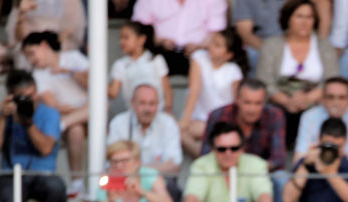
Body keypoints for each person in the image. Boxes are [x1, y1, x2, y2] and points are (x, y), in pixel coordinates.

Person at [256, 0, 338, 148]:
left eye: (309, 17)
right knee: (278, 116)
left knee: (316, 116)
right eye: (299, 16)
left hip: (315, 101)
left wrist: (307, 99)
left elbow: (331, 80)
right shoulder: (271, 45)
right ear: (288, 18)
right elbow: (265, 81)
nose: (304, 22)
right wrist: (287, 101)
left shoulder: (324, 46)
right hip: (280, 101)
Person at [0, 69, 67, 202]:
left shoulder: (50, 113)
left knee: (58, 188)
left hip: (44, 175)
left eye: (33, 94)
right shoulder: (6, 114)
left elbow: (45, 149)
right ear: (12, 98)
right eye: (25, 97)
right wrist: (3, 118)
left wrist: (28, 124)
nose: (32, 100)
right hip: (12, 176)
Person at [23, 31, 89, 199]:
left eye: (32, 53)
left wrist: (70, 72)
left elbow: (95, 82)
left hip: (80, 116)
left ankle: (65, 123)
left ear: (44, 46)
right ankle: (77, 183)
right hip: (77, 117)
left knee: (100, 106)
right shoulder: (38, 75)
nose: (31, 60)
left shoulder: (73, 57)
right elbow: (53, 106)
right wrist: (84, 110)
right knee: (77, 129)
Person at [184, 121, 276, 202]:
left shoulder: (256, 165)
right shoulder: (201, 165)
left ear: (242, 148)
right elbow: (193, 196)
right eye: (222, 149)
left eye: (234, 148)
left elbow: (263, 193)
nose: (228, 153)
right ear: (213, 149)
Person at [282, 117, 348, 202]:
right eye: (328, 145)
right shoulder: (307, 164)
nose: (331, 151)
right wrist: (306, 166)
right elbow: (288, 199)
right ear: (319, 140)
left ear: (345, 142)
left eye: (337, 146)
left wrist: (331, 174)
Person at [180, 28, 247, 156]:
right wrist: (185, 120)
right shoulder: (199, 58)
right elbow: (194, 90)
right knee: (179, 132)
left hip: (222, 121)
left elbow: (235, 101)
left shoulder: (234, 71)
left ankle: (211, 156)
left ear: (228, 54)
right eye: (212, 42)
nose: (211, 47)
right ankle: (208, 156)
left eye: (217, 45)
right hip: (199, 118)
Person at [202, 79, 287, 178]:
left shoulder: (274, 115)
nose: (252, 109)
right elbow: (206, 155)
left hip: (261, 175)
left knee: (281, 177)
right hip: (223, 173)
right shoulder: (219, 115)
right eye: (247, 103)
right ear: (237, 100)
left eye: (258, 103)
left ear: (265, 102)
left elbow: (278, 160)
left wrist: (249, 170)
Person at [294, 77, 348, 177]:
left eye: (342, 97)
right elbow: (298, 161)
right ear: (322, 100)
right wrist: (315, 158)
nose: (336, 103)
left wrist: (345, 162)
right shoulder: (309, 117)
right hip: (317, 172)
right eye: (331, 97)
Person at [108, 83, 184, 193]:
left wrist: (136, 168)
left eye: (152, 104)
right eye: (142, 103)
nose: (147, 109)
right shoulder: (119, 123)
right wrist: (156, 167)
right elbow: (113, 161)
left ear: (158, 104)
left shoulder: (168, 123)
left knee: (171, 188)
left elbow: (174, 166)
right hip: (125, 180)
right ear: (132, 103)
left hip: (159, 182)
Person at [95, 140, 175, 202]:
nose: (119, 166)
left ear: (137, 162)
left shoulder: (149, 175)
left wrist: (142, 191)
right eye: (114, 161)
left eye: (125, 160)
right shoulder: (106, 182)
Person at [108, 21, 172, 114]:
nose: (121, 42)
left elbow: (167, 91)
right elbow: (113, 93)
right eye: (120, 38)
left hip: (157, 114)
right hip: (133, 115)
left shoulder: (156, 60)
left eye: (126, 38)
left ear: (141, 39)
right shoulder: (120, 64)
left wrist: (168, 112)